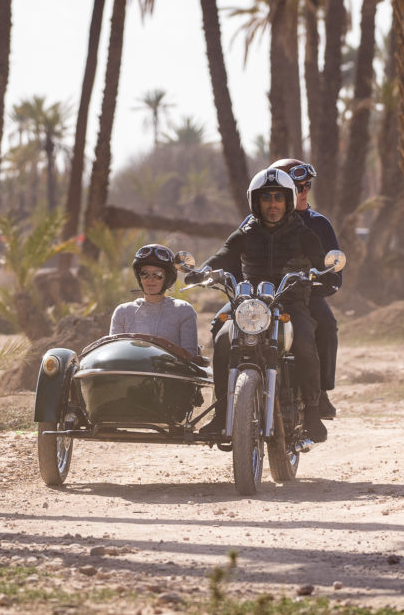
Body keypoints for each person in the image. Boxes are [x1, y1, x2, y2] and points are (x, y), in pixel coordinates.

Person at [192, 167, 329, 442]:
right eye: (266, 198)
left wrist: (326, 272)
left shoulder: (303, 234)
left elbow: (322, 261)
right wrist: (203, 270)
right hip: (248, 301)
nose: (273, 204)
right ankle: (221, 414)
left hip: (289, 300)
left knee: (303, 338)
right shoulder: (246, 232)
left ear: (288, 200)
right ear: (256, 201)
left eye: (278, 197)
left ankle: (313, 411)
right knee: (220, 336)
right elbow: (223, 254)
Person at [267, 157, 342, 419]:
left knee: (327, 324)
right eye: (297, 187)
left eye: (307, 186)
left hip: (304, 295)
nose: (304, 192)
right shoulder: (255, 223)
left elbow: (334, 272)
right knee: (222, 325)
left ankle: (320, 393)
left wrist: (316, 285)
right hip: (259, 298)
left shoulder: (319, 224)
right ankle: (226, 404)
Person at [108, 243, 200, 357]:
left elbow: (190, 358)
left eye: (158, 274)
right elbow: (113, 354)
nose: (150, 279)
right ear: (139, 278)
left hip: (169, 374)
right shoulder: (122, 312)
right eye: (144, 274)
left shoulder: (183, 310)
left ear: (167, 278)